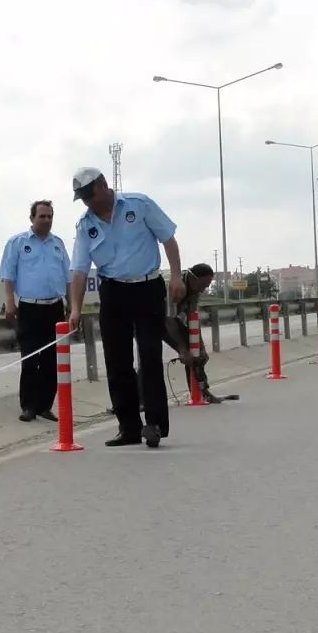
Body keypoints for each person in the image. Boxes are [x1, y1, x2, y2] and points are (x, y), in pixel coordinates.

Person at [67, 167, 186, 448]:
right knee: (117, 361)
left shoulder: (138, 204)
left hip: (147, 287)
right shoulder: (85, 225)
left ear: (104, 185)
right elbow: (79, 271)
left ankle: (155, 424)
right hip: (113, 291)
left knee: (149, 354)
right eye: (82, 198)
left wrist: (177, 276)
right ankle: (128, 426)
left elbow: (168, 238)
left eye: (90, 194)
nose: (88, 202)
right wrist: (75, 308)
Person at [0, 199, 70, 422]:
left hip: (55, 308)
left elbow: (68, 277)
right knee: (30, 358)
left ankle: (44, 405)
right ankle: (28, 406)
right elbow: (8, 276)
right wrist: (10, 303)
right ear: (32, 218)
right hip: (29, 308)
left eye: (50, 216)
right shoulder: (17, 243)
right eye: (42, 216)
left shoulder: (58, 244)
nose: (46, 220)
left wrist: (73, 306)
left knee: (52, 361)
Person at [162, 262, 222, 403]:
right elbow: (169, 320)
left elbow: (192, 320)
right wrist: (182, 349)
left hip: (170, 317)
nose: (203, 290)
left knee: (198, 355)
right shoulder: (175, 285)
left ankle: (201, 391)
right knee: (149, 358)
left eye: (206, 287)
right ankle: (140, 400)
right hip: (151, 317)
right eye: (202, 285)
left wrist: (199, 347)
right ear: (194, 278)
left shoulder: (194, 291)